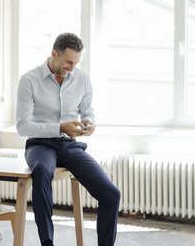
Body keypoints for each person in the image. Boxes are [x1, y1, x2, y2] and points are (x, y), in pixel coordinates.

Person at [16, 33, 121, 246]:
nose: (72, 68)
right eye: (68, 62)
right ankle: (47, 242)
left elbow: (87, 111)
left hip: (70, 145)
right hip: (40, 145)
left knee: (111, 193)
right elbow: (23, 125)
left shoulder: (81, 79)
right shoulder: (30, 80)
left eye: (76, 63)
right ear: (54, 54)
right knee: (42, 171)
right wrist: (60, 127)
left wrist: (89, 124)